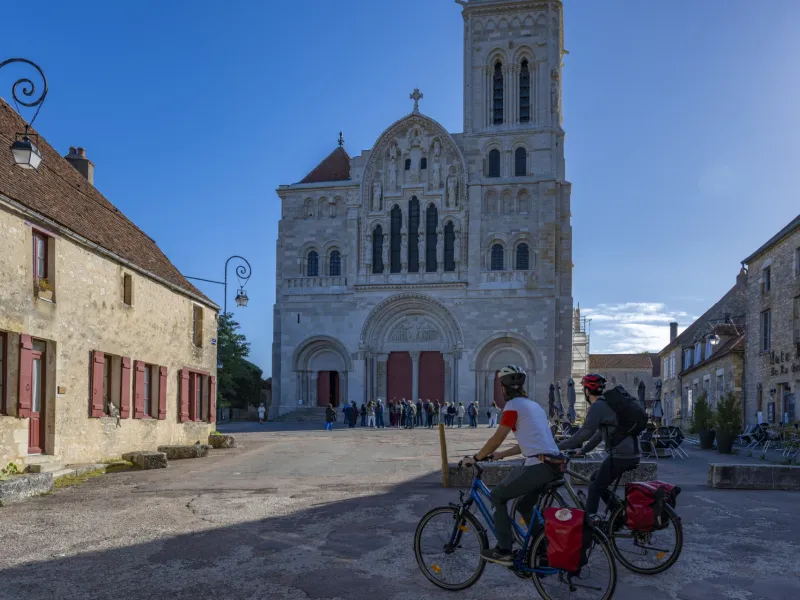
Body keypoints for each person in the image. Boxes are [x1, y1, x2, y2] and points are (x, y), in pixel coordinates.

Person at [460, 365, 562, 566]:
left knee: (497, 496)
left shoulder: (513, 406)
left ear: (503, 388)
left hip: (538, 466)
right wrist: (502, 455)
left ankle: (504, 550)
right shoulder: (534, 406)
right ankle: (543, 549)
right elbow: (530, 443)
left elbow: (498, 436)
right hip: (554, 464)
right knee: (525, 506)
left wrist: (476, 458)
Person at [558, 373, 642, 517]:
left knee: (594, 487)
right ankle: (618, 513)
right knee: (595, 479)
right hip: (631, 453)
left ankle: (590, 526)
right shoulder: (608, 404)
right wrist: (583, 450)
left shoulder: (598, 406)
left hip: (620, 456)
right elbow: (599, 435)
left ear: (586, 391)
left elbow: (584, 433)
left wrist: (557, 447)